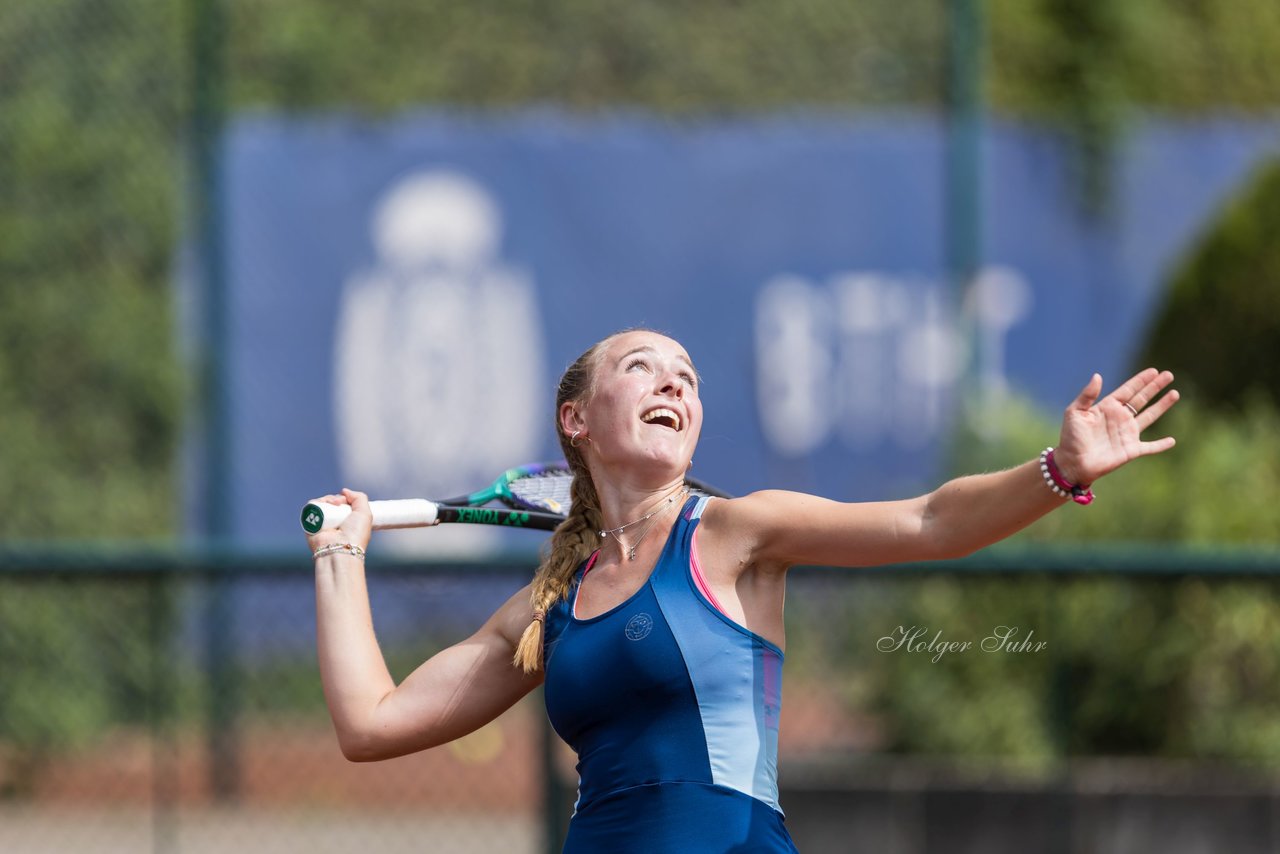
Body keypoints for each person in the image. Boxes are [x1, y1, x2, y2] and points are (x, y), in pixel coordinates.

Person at [306, 328, 1179, 853]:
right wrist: (340, 559)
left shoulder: (732, 532)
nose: (675, 382)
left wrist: (1056, 470)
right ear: (577, 421)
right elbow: (372, 724)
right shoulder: (552, 602)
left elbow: (929, 522)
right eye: (644, 368)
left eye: (686, 376)